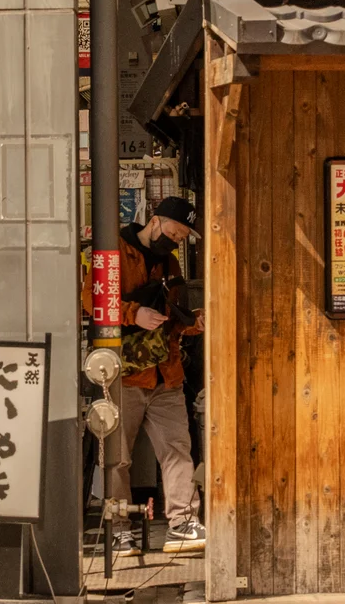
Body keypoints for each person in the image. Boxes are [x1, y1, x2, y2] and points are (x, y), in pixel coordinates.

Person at [105, 196, 206, 557]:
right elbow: (92, 301)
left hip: (166, 373)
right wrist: (133, 314)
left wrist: (191, 323)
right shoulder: (114, 251)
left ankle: (182, 523)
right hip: (126, 374)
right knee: (117, 457)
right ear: (155, 221)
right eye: (175, 233)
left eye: (182, 237)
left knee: (177, 449)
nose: (177, 241)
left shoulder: (170, 262)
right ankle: (119, 529)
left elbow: (171, 319)